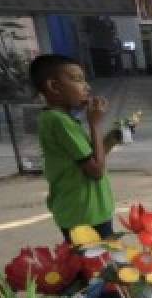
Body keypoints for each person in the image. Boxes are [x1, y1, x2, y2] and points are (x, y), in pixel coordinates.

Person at [30, 54, 120, 240]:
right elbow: (96, 170)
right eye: (77, 79)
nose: (86, 86)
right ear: (54, 86)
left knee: (92, 265)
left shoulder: (60, 119)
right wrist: (95, 124)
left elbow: (89, 157)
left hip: (84, 210)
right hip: (86, 214)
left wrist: (111, 138)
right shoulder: (60, 121)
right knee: (100, 266)